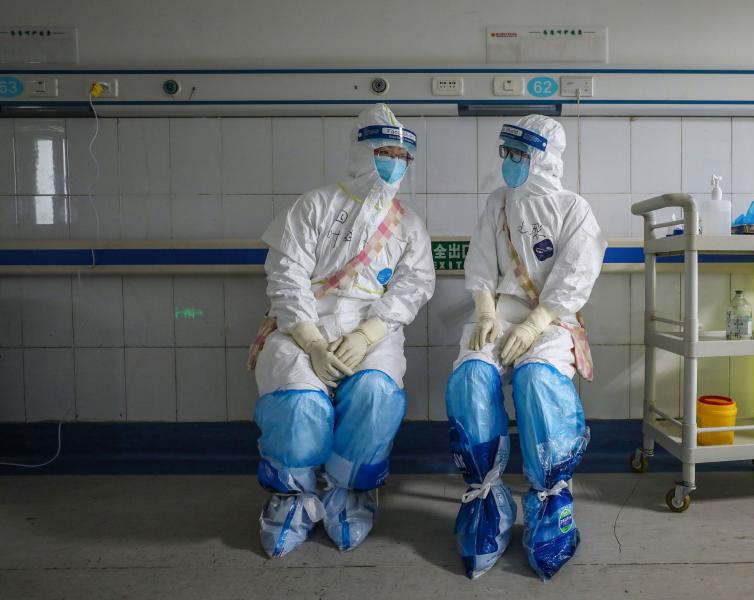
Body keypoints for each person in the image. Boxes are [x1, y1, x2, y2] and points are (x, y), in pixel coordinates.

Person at [247, 103, 435, 558]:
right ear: (361, 151)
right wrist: (309, 338)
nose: (393, 163)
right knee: (298, 401)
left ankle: (351, 491)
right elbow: (286, 275)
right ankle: (293, 496)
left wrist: (370, 334)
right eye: (384, 151)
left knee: (375, 393)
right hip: (302, 323)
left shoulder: (408, 224)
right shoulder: (313, 206)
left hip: (372, 328)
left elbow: (415, 285)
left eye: (402, 156)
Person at [445, 115, 606, 580]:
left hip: (551, 319)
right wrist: (486, 311)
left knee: (538, 381)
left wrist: (535, 323)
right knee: (472, 375)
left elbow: (575, 276)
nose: (511, 163)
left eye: (521, 154)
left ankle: (550, 504)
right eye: (507, 153)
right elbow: (479, 261)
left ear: (543, 157)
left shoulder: (574, 209)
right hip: (500, 311)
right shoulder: (497, 203)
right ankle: (485, 502)